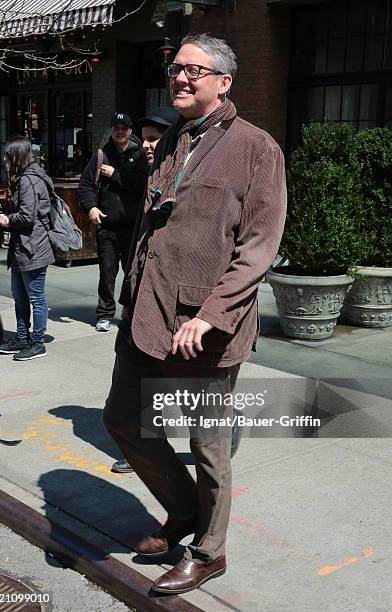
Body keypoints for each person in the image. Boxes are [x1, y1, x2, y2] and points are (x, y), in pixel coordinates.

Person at [103, 34, 287, 594]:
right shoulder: (171, 141)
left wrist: (210, 314)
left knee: (209, 448)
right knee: (122, 420)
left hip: (203, 329)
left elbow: (259, 245)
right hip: (145, 314)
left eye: (193, 70)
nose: (179, 78)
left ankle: (209, 552)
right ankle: (182, 511)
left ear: (223, 82)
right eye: (175, 68)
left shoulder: (257, 149)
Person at [110, 105, 179, 475]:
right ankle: (144, 446)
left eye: (156, 138)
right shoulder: (145, 172)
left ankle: (220, 423)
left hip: (172, 299)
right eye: (146, 138)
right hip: (138, 294)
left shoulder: (180, 177)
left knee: (173, 380)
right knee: (141, 375)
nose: (148, 145)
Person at [79, 113, 148, 332]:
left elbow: (143, 185)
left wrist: (116, 175)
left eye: (124, 128)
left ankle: (129, 312)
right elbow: (86, 185)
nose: (120, 131)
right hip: (107, 225)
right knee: (107, 273)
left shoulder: (140, 155)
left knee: (132, 272)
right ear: (111, 130)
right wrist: (91, 207)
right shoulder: (101, 155)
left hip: (132, 225)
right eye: (116, 127)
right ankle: (104, 314)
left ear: (130, 131)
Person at [0, 135, 55, 361]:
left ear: (16, 156)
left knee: (36, 298)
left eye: (7, 154)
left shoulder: (29, 180)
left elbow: (28, 216)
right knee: (19, 296)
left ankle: (37, 343)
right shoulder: (27, 177)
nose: (4, 158)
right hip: (24, 247)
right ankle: (22, 338)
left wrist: (7, 220)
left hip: (33, 247)